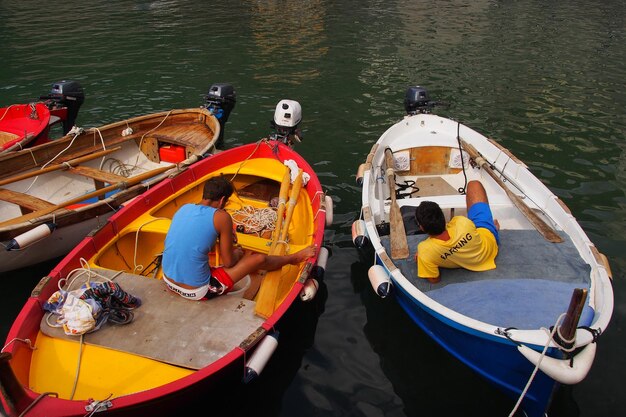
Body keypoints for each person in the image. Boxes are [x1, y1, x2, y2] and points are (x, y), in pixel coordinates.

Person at [161, 175, 316, 300]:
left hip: (167, 280)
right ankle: (294, 258)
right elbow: (229, 262)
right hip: (197, 291)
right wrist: (237, 253)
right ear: (222, 200)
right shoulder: (222, 217)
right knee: (258, 260)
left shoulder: (184, 208)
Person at [414, 180, 500, 284]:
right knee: (474, 184)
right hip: (490, 243)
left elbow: (434, 279)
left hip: (476, 250)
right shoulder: (461, 222)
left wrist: (424, 259)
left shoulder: (425, 251)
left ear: (422, 228)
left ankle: (492, 225)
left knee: (475, 227)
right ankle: (492, 226)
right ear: (444, 218)